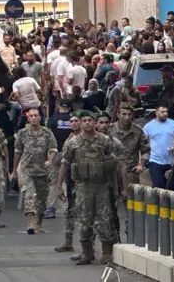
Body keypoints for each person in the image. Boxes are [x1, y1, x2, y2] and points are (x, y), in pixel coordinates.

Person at [58, 110, 118, 265]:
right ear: (81, 122)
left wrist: (116, 187)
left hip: (102, 186)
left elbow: (115, 162)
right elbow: (64, 163)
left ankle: (107, 253)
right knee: (85, 220)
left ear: (95, 122)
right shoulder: (73, 143)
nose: (87, 123)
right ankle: (87, 253)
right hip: (83, 187)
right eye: (84, 120)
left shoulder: (105, 140)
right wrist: (59, 185)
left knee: (104, 220)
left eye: (90, 120)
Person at [11, 107, 58, 234]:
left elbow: (53, 148)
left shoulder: (47, 132)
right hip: (28, 170)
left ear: (40, 117)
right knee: (30, 195)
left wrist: (50, 160)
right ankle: (30, 223)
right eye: (31, 116)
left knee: (42, 200)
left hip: (43, 170)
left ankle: (39, 222)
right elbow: (17, 152)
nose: (33, 118)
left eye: (36, 115)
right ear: (28, 118)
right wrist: (14, 171)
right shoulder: (22, 133)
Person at [108, 103, 150, 201]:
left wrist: (141, 165)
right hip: (111, 172)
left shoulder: (138, 131)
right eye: (124, 114)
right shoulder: (109, 130)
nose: (127, 117)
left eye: (129, 114)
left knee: (132, 201)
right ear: (118, 114)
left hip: (131, 172)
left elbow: (146, 150)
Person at [53, 112, 81, 255]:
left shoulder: (91, 139)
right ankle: (68, 242)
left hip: (87, 181)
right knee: (69, 212)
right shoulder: (69, 139)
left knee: (86, 215)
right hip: (72, 180)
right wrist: (59, 185)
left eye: (77, 121)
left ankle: (87, 247)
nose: (74, 123)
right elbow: (64, 163)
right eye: (72, 121)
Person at [143, 104, 174, 188]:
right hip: (155, 160)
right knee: (158, 186)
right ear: (156, 112)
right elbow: (144, 142)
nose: (165, 114)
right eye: (162, 112)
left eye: (166, 112)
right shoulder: (148, 126)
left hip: (171, 161)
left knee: (171, 187)